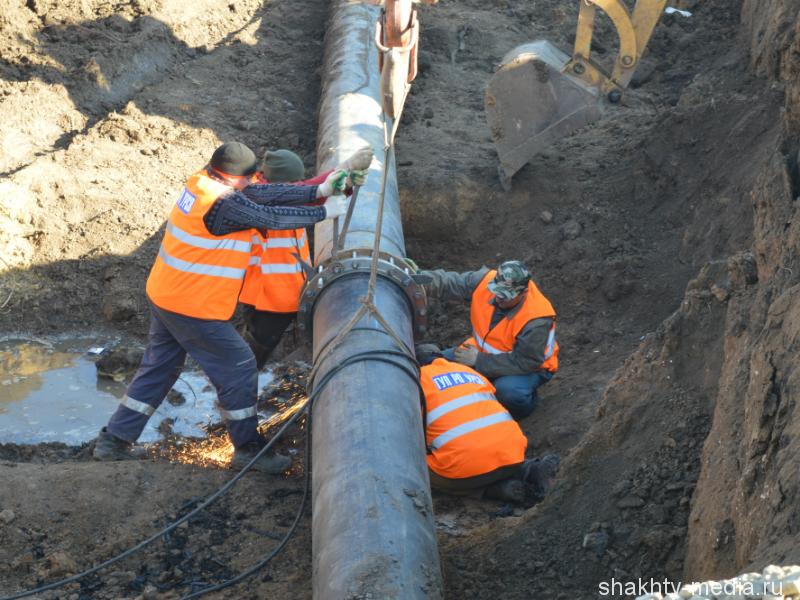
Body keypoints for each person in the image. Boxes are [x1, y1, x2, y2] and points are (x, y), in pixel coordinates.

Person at [92, 141, 357, 473]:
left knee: (160, 367)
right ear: (235, 180)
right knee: (240, 364)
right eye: (249, 179)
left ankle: (114, 440)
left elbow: (262, 196)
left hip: (166, 294)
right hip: (191, 305)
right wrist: (324, 211)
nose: (253, 183)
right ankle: (247, 448)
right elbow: (269, 216)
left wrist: (318, 189)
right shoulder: (222, 205)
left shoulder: (203, 183)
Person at [238, 147, 372, 368]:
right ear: (279, 183)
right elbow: (304, 191)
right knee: (257, 347)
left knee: (258, 343)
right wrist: (344, 167)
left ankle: (240, 378)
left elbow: (310, 196)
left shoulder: (276, 191)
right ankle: (236, 385)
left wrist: (344, 185)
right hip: (268, 295)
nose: (299, 187)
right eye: (295, 183)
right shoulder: (257, 196)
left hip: (284, 291)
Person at [417, 344, 559, 503]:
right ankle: (529, 469)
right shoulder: (468, 371)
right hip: (513, 455)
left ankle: (491, 491)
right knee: (491, 457)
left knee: (419, 468)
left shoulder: (416, 383)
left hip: (466, 470)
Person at [419, 260, 558, 420]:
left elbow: (527, 361)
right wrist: (418, 280)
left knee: (508, 392)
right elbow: (449, 282)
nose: (498, 299)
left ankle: (523, 410)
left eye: (505, 296)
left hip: (531, 367)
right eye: (497, 292)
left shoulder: (536, 320)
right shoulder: (485, 280)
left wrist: (478, 361)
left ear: (524, 293)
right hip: (483, 350)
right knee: (434, 364)